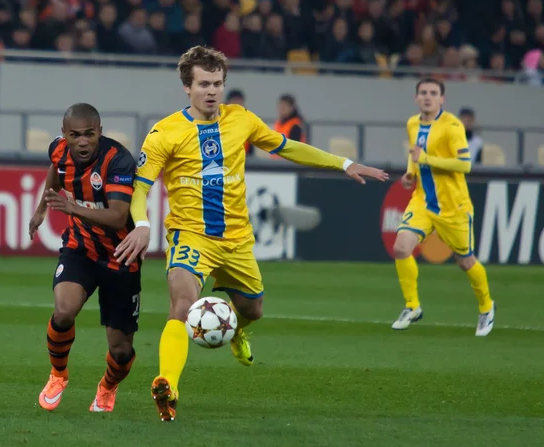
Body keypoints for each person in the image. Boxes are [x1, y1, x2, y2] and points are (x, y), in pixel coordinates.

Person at [114, 46, 388, 422]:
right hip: (190, 236)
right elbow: (140, 190)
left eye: (217, 84)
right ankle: (168, 387)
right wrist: (143, 225)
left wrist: (342, 162)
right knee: (182, 302)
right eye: (203, 84)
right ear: (186, 87)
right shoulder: (164, 133)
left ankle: (235, 331)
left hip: (237, 240)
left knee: (252, 309)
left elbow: (287, 147)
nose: (211, 91)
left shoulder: (240, 119)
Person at [29, 103, 141, 413]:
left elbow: (119, 217)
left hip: (122, 256)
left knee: (121, 351)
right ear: (64, 135)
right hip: (80, 248)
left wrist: (71, 208)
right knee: (63, 311)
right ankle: (58, 375)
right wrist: (41, 209)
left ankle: (107, 387)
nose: (82, 142)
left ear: (100, 133)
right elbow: (56, 168)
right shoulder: (58, 149)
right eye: (75, 135)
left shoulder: (118, 161)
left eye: (89, 135)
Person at [391, 77, 495, 337]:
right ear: (416, 98)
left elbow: (465, 164)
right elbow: (415, 153)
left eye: (433, 93)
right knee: (401, 247)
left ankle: (486, 306)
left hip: (453, 206)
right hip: (423, 201)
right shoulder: (412, 123)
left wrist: (426, 159)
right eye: (423, 92)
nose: (428, 97)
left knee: (465, 261)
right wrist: (410, 173)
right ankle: (412, 307)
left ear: (442, 99)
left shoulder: (452, 126)